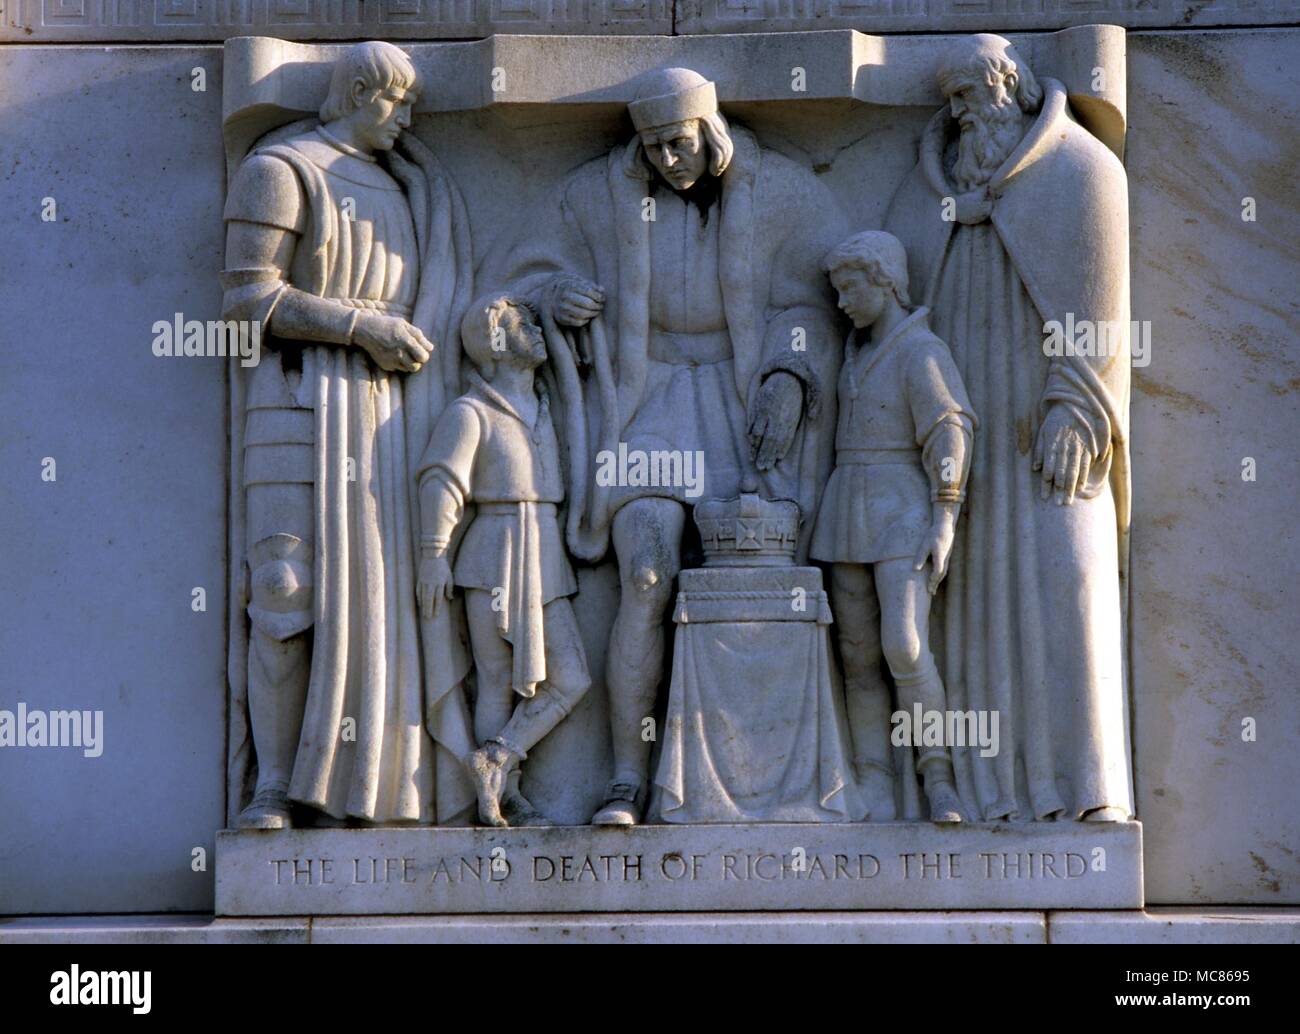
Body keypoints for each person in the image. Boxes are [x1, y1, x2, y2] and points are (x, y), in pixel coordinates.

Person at [484, 67, 845, 824]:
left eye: (679, 143)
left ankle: (745, 783)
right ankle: (624, 778)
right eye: (652, 148)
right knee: (646, 571)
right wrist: (553, 299)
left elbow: (822, 298)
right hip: (643, 408)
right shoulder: (595, 194)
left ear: (708, 131)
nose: (669, 161)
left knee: (745, 583)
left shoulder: (781, 191)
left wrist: (789, 370)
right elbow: (516, 280)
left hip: (739, 402)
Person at [885, 34, 1133, 820]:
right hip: (958, 420)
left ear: (1014, 87)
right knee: (968, 601)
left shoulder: (1083, 173)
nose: (960, 115)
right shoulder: (927, 192)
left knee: (1069, 575)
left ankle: (1089, 790)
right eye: (951, 103)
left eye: (971, 97)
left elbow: (1102, 310)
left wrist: (1076, 404)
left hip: (1046, 412)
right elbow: (895, 304)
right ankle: (989, 791)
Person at [811, 231, 976, 822]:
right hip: (847, 505)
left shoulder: (920, 351)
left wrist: (945, 515)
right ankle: (875, 777)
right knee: (857, 657)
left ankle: (938, 775)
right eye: (836, 291)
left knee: (904, 646)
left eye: (852, 287)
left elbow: (950, 430)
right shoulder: (854, 354)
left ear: (885, 281)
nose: (842, 302)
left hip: (900, 506)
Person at [416, 294, 591, 827]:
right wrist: (432, 555)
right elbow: (441, 481)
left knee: (570, 678)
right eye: (520, 322)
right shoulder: (470, 412)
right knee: (495, 679)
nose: (535, 327)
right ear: (491, 342)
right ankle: (504, 794)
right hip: (494, 549)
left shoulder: (545, 404)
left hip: (543, 545)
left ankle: (497, 755)